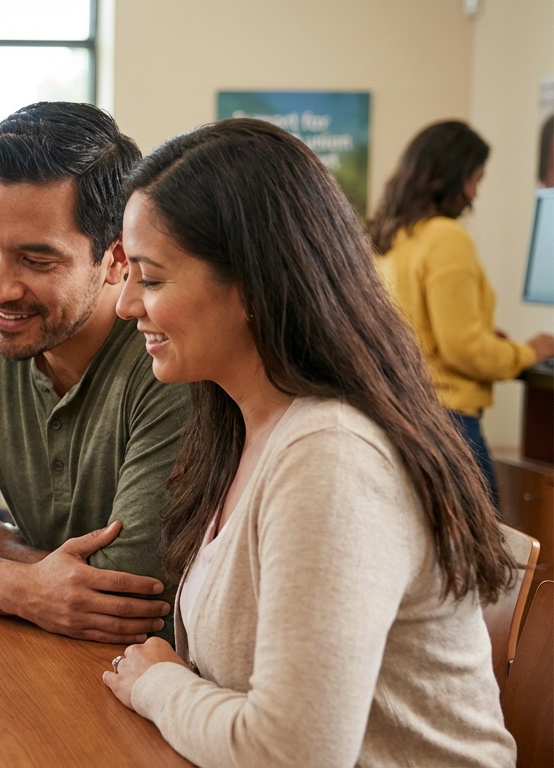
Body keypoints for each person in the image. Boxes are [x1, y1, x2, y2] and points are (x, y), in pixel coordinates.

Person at [103, 118, 517, 766]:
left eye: (151, 278)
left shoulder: (333, 458)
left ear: (250, 286)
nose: (125, 303)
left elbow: (291, 754)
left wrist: (157, 684)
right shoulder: (244, 425)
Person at [0, 102, 190, 643]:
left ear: (117, 259)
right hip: (37, 662)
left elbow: (128, 591)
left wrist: (0, 548)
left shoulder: (168, 358)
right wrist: (26, 588)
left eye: (37, 261)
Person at [369, 120, 554, 503]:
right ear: (452, 177)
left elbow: (420, 329)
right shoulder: (446, 237)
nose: (474, 195)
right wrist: (529, 352)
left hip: (403, 412)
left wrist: (485, 335)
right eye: (475, 180)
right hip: (451, 423)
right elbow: (462, 348)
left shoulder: (391, 237)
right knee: (486, 550)